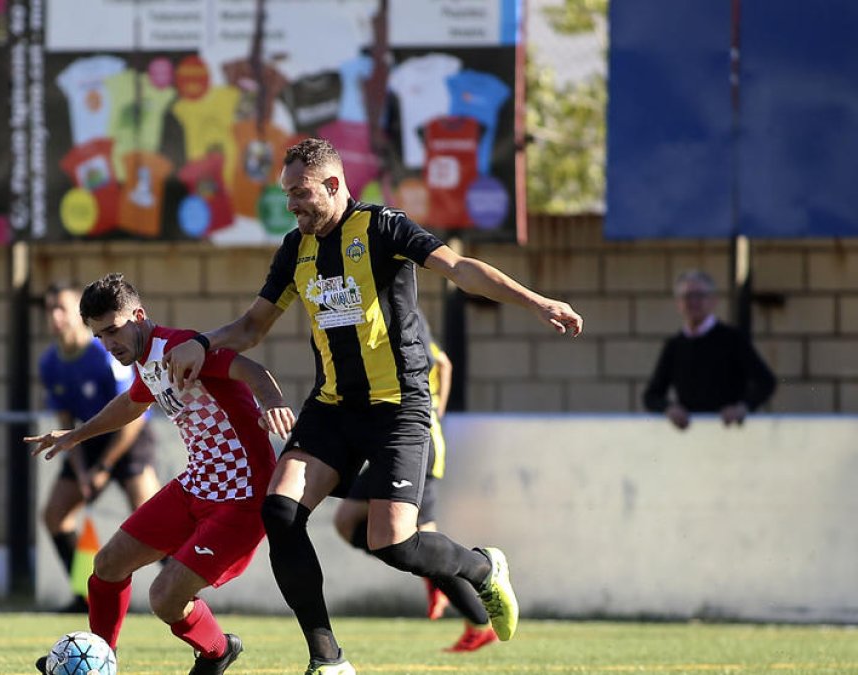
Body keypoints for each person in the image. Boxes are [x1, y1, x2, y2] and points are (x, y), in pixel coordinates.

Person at [163, 137, 583, 674]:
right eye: (286, 194)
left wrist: (538, 301)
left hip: (400, 407)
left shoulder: (382, 227)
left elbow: (459, 268)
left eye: (300, 193)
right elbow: (251, 326)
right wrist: (204, 341)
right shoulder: (296, 249)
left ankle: (482, 567)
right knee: (281, 511)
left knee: (392, 543)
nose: (291, 205)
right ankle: (328, 660)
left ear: (334, 185)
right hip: (333, 407)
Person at [26, 273, 296, 675]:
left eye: (113, 330)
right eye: (100, 336)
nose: (109, 344)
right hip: (196, 485)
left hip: (240, 498)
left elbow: (252, 370)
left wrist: (272, 401)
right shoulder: (146, 362)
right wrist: (78, 435)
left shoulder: (178, 347)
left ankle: (217, 650)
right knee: (107, 566)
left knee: (164, 598)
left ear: (138, 316)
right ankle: (101, 661)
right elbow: (132, 403)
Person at [331, 321, 497, 654]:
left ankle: (480, 622)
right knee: (347, 520)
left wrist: (434, 411)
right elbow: (444, 363)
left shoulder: (403, 312)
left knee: (421, 538)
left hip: (416, 442)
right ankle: (427, 569)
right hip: (390, 444)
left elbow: (444, 363)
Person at [38, 283, 162, 612]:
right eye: (50, 309)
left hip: (128, 437)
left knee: (155, 519)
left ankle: (185, 595)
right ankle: (86, 597)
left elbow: (134, 414)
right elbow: (67, 422)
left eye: (62, 308)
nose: (55, 316)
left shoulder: (105, 355)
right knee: (55, 515)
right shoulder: (50, 363)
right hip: (88, 439)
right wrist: (82, 473)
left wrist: (104, 468)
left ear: (81, 317)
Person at [642, 269, 776, 429]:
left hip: (730, 434)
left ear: (713, 301)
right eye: (687, 296)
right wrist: (669, 408)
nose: (693, 302)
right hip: (690, 436)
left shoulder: (733, 339)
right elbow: (651, 396)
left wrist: (742, 407)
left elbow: (766, 382)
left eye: (699, 295)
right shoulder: (675, 345)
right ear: (679, 304)